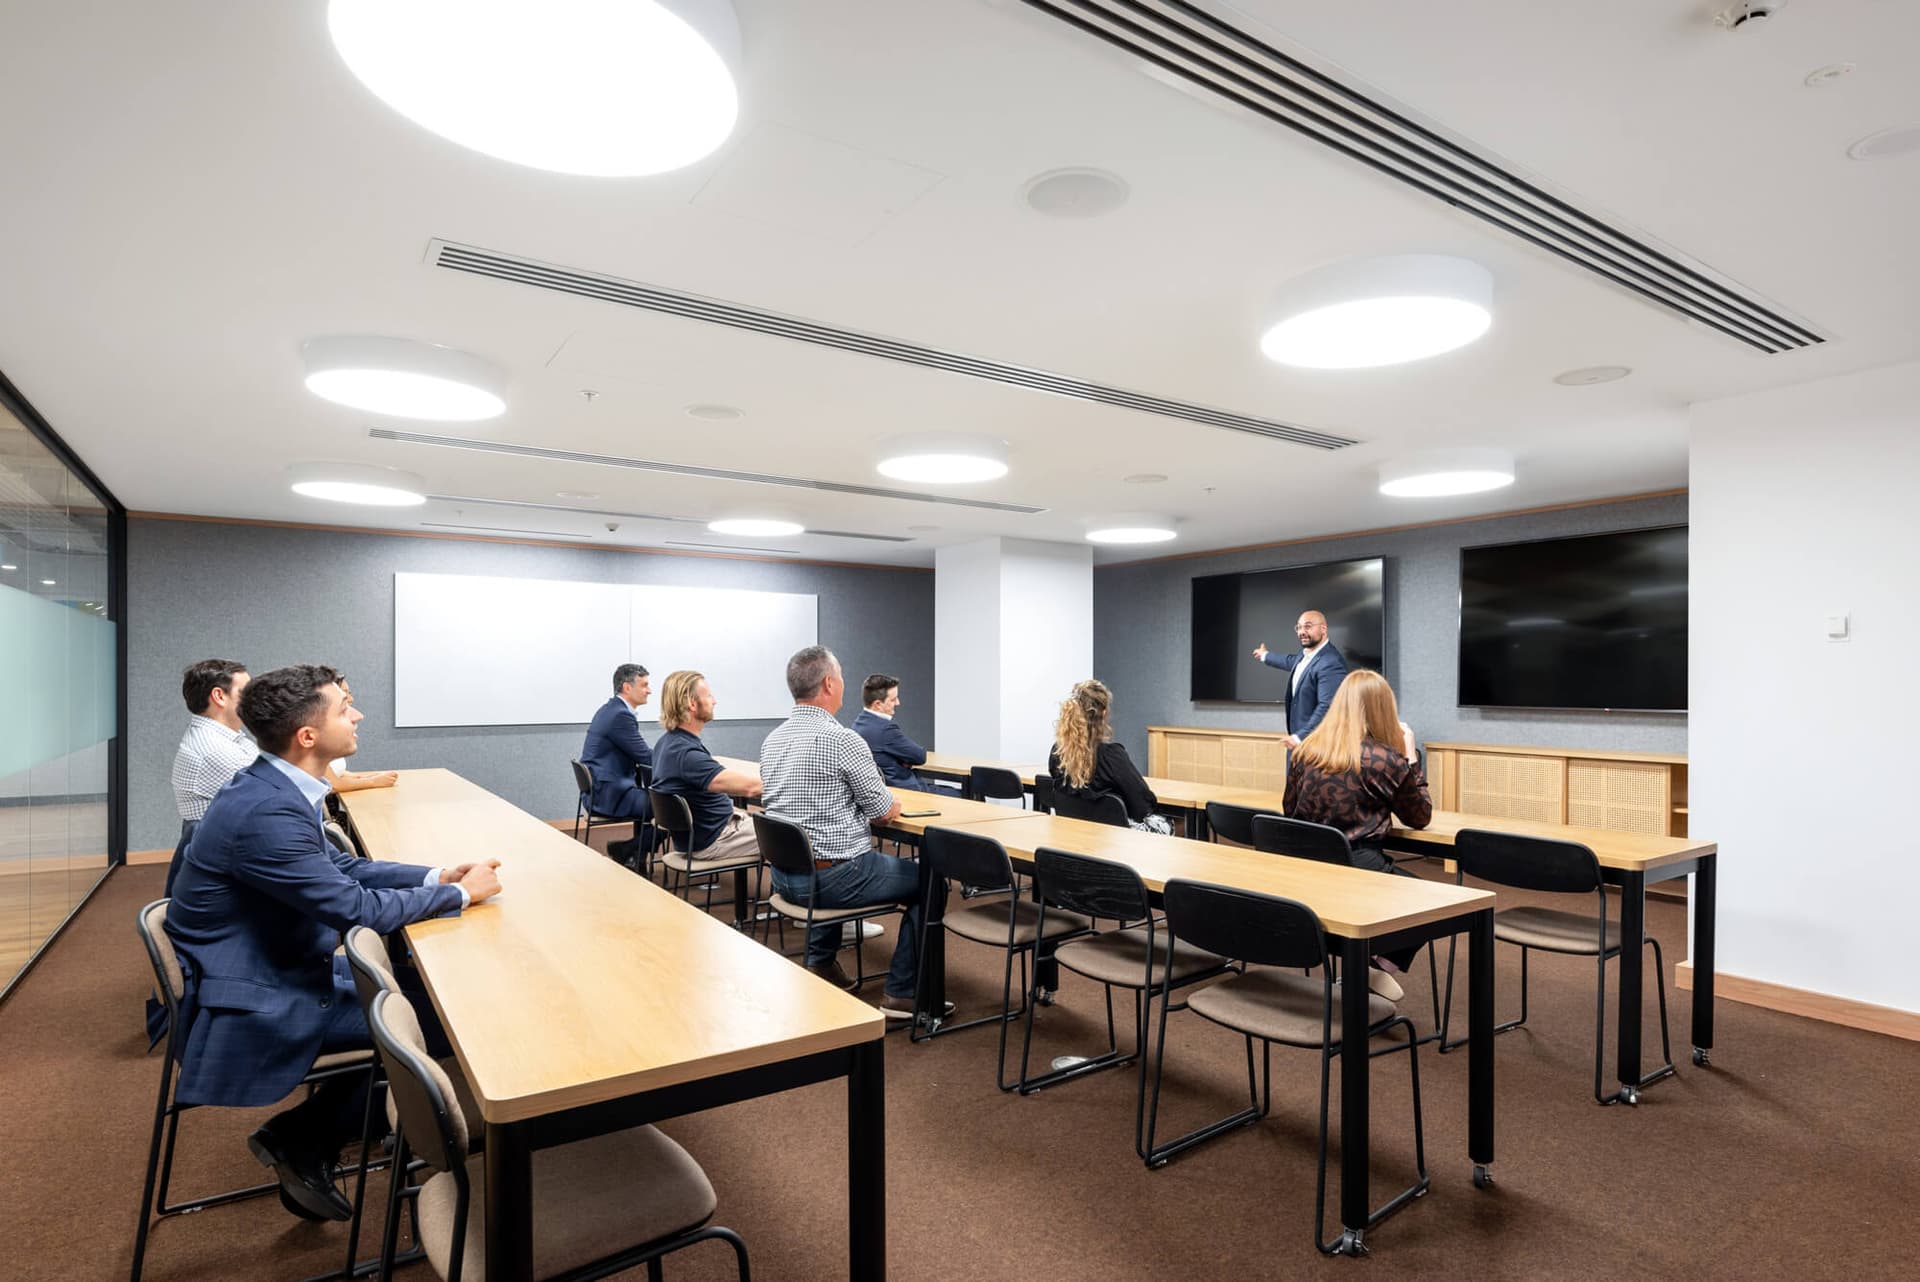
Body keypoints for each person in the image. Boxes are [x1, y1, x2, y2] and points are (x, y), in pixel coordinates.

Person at [165, 664, 501, 1221]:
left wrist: (435, 875)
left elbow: (339, 865)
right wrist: (461, 897)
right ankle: (311, 1136)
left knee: (414, 991)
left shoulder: (272, 782)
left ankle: (320, 1130)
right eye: (345, 708)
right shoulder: (267, 809)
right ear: (308, 736)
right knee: (446, 1021)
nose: (358, 714)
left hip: (272, 957)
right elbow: (356, 910)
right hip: (253, 990)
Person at [759, 646, 945, 1019]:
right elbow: (883, 812)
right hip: (833, 879)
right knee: (932, 881)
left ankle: (821, 965)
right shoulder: (843, 740)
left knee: (834, 855)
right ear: (829, 683)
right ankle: (903, 994)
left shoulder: (772, 740)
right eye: (841, 676)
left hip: (783, 877)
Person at [1282, 668, 1430, 1000]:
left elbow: (1288, 812)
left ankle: (1363, 963)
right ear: (1383, 710)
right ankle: (1373, 964)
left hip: (1307, 868)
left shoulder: (1305, 752)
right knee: (1431, 901)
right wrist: (1410, 757)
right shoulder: (1386, 760)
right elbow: (1419, 816)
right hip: (1358, 868)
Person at [650, 669, 763, 868]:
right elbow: (751, 789)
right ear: (692, 704)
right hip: (717, 838)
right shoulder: (686, 754)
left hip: (701, 834)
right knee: (796, 833)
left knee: (775, 823)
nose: (714, 701)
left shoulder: (667, 743)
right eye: (709, 696)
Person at [167, 659, 257, 898]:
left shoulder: (227, 736)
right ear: (219, 696)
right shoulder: (214, 750)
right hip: (225, 866)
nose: (254, 697)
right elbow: (278, 793)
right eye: (246, 691)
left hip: (226, 850)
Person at [1048, 678, 1172, 835]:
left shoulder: (1057, 753)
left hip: (1075, 834)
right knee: (1174, 823)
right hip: (1114, 841)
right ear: (1104, 713)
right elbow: (1143, 806)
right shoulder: (1111, 756)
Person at [581, 662, 653, 864]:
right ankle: (628, 850)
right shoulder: (620, 715)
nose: (649, 690)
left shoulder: (610, 709)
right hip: (610, 795)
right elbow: (645, 756)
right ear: (627, 687)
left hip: (601, 790)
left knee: (662, 802)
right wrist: (678, 761)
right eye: (644, 685)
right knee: (672, 809)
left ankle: (633, 852)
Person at [1252, 609, 1350, 747]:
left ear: (1323, 628)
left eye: (1308, 626)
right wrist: (1265, 655)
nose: (1301, 632)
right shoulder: (1306, 655)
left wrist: (1300, 737)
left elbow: (1328, 706)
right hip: (1300, 740)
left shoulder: (1330, 662)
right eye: (1299, 627)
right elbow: (1290, 661)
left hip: (1317, 744)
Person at [851, 673, 940, 792]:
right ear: (878, 704)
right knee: (962, 796)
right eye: (893, 699)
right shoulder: (885, 729)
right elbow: (920, 756)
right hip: (907, 792)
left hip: (886, 792)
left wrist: (899, 759)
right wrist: (903, 760)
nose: (898, 703)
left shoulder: (857, 725)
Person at [323, 675, 398, 795]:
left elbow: (337, 772)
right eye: (345, 694)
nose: (351, 699)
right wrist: (373, 782)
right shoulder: (321, 738)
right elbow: (331, 784)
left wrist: (368, 777)